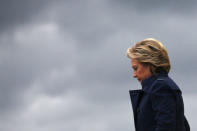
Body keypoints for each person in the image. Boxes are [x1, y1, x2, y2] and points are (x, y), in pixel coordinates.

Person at [126, 38, 190, 131]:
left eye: (136, 68)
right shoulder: (160, 87)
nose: (134, 75)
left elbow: (166, 127)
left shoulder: (160, 87)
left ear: (150, 64)